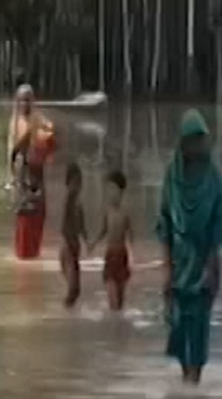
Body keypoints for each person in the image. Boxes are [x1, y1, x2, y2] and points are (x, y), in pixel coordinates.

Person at [157, 110, 222, 386]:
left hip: (203, 262)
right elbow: (164, 223)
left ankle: (193, 384)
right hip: (177, 262)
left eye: (202, 139)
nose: (200, 145)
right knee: (178, 326)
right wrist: (166, 268)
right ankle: (185, 384)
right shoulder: (171, 178)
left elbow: (217, 227)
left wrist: (212, 268)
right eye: (194, 140)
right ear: (183, 143)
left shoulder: (213, 180)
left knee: (199, 327)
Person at [10, 84, 56, 259]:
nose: (24, 104)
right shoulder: (15, 122)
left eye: (27, 100)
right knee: (23, 219)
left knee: (38, 216)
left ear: (33, 101)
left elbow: (51, 141)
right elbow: (13, 151)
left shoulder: (39, 120)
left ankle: (33, 255)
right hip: (22, 175)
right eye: (21, 100)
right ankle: (23, 256)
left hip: (36, 174)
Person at [91, 170, 133, 311]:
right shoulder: (107, 210)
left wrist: (134, 257)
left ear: (121, 191)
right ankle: (113, 318)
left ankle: (117, 328)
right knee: (112, 294)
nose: (110, 194)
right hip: (110, 255)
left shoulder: (126, 212)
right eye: (108, 190)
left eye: (113, 189)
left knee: (120, 300)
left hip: (122, 256)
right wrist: (94, 243)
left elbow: (131, 236)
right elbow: (103, 230)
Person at [60, 163, 87, 307]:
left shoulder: (78, 203)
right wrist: (68, 245)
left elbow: (81, 225)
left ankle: (69, 314)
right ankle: (66, 311)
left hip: (75, 245)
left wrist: (87, 241)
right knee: (73, 288)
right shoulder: (69, 202)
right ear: (68, 184)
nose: (77, 186)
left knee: (75, 289)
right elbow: (65, 226)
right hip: (68, 246)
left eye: (79, 182)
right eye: (74, 183)